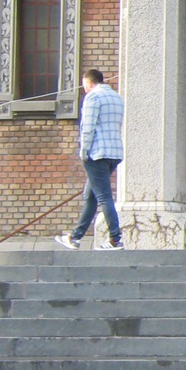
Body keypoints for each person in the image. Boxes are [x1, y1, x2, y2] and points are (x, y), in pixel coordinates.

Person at [55, 68, 124, 251]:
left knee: (103, 196)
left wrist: (84, 151)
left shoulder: (93, 97)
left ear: (89, 82)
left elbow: (88, 127)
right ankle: (75, 237)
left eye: (84, 85)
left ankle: (115, 239)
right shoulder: (117, 97)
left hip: (97, 153)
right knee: (91, 195)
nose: (84, 89)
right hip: (114, 152)